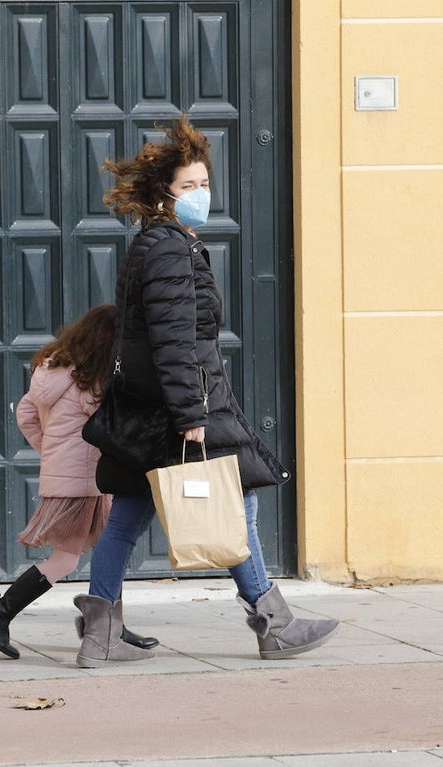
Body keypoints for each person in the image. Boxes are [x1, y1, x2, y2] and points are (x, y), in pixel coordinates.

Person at [75, 116, 339, 667]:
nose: (201, 194)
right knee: (236, 500)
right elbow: (173, 339)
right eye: (188, 186)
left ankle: (99, 636)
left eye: (204, 183)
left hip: (149, 408)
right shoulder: (170, 248)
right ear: (164, 195)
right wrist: (190, 413)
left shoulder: (158, 243)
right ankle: (274, 622)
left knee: (127, 516)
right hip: (182, 404)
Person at [0, 304, 159, 659]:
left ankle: (107, 627)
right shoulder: (92, 382)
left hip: (71, 477)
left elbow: (26, 413)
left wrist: (52, 451)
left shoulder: (53, 370)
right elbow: (113, 425)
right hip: (84, 482)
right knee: (69, 559)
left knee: (108, 549)